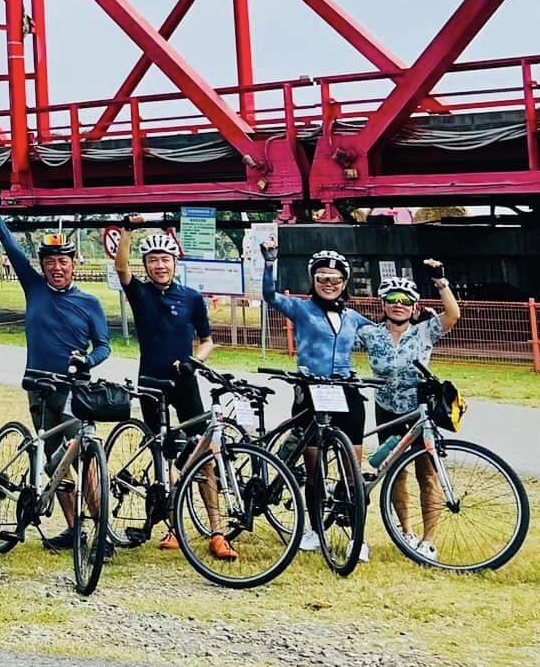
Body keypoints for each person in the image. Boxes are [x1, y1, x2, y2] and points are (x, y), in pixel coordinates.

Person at [0, 203, 110, 547]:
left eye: (63, 262)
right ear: (42, 266)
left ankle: (101, 531)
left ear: (74, 265)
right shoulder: (35, 289)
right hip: (37, 388)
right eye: (50, 262)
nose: (57, 268)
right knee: (51, 463)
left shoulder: (90, 303)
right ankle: (75, 530)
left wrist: (87, 360)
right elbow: (13, 252)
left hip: (74, 390)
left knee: (83, 458)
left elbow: (104, 346)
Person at [110, 228, 232, 560]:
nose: (160, 266)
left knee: (203, 454)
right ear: (146, 265)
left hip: (184, 382)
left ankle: (217, 532)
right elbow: (121, 267)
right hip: (150, 382)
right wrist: (128, 232)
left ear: (175, 262)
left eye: (165, 259)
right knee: (162, 456)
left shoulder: (192, 297)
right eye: (153, 261)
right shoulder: (140, 293)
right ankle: (174, 528)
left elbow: (207, 339)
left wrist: (196, 361)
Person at [259, 236, 371, 558]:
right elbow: (269, 296)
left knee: (352, 470)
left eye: (335, 280)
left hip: (346, 390)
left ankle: (357, 538)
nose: (329, 284)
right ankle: (313, 528)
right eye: (322, 278)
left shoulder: (352, 317)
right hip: (312, 390)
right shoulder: (301, 308)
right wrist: (270, 262)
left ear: (344, 282)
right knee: (314, 468)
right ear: (314, 281)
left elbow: (379, 334)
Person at [359, 259, 461, 562]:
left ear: (415, 306)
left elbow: (453, 315)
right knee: (395, 472)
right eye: (392, 299)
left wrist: (440, 281)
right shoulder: (370, 333)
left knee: (427, 475)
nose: (399, 305)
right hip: (387, 409)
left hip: (420, 411)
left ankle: (429, 540)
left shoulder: (424, 331)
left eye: (405, 301)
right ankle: (405, 530)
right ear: (383, 304)